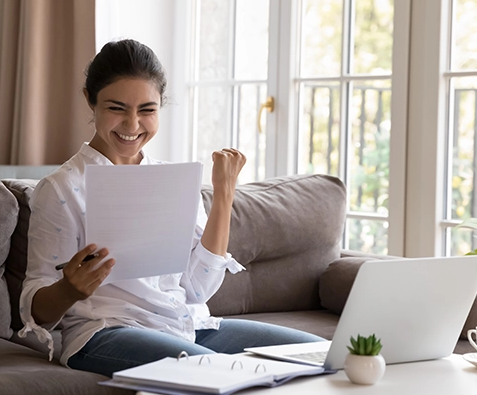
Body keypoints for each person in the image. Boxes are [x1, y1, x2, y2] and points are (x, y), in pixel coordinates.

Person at [18, 39, 322, 377]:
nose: (132, 125)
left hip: (185, 325)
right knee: (216, 371)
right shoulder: (62, 189)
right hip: (105, 332)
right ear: (91, 101)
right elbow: (36, 312)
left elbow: (197, 290)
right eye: (116, 108)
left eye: (147, 110)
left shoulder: (173, 180)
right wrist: (68, 289)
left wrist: (223, 194)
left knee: (319, 355)